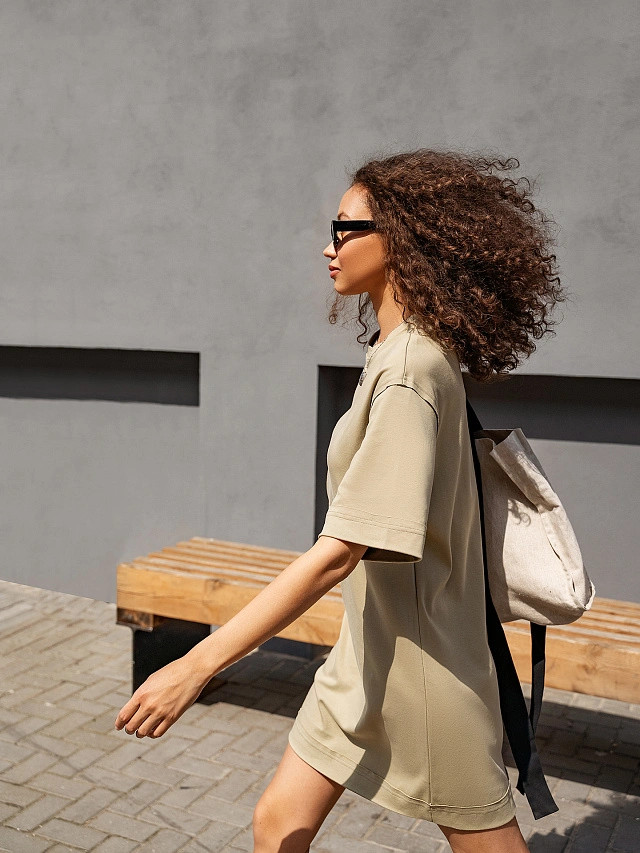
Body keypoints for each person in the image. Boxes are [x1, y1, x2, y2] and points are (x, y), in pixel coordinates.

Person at [115, 148, 567, 853]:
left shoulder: (412, 367)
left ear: (402, 240)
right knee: (277, 823)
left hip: (425, 672)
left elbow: (339, 553)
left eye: (346, 228)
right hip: (365, 656)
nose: (328, 247)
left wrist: (196, 664)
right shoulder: (397, 350)